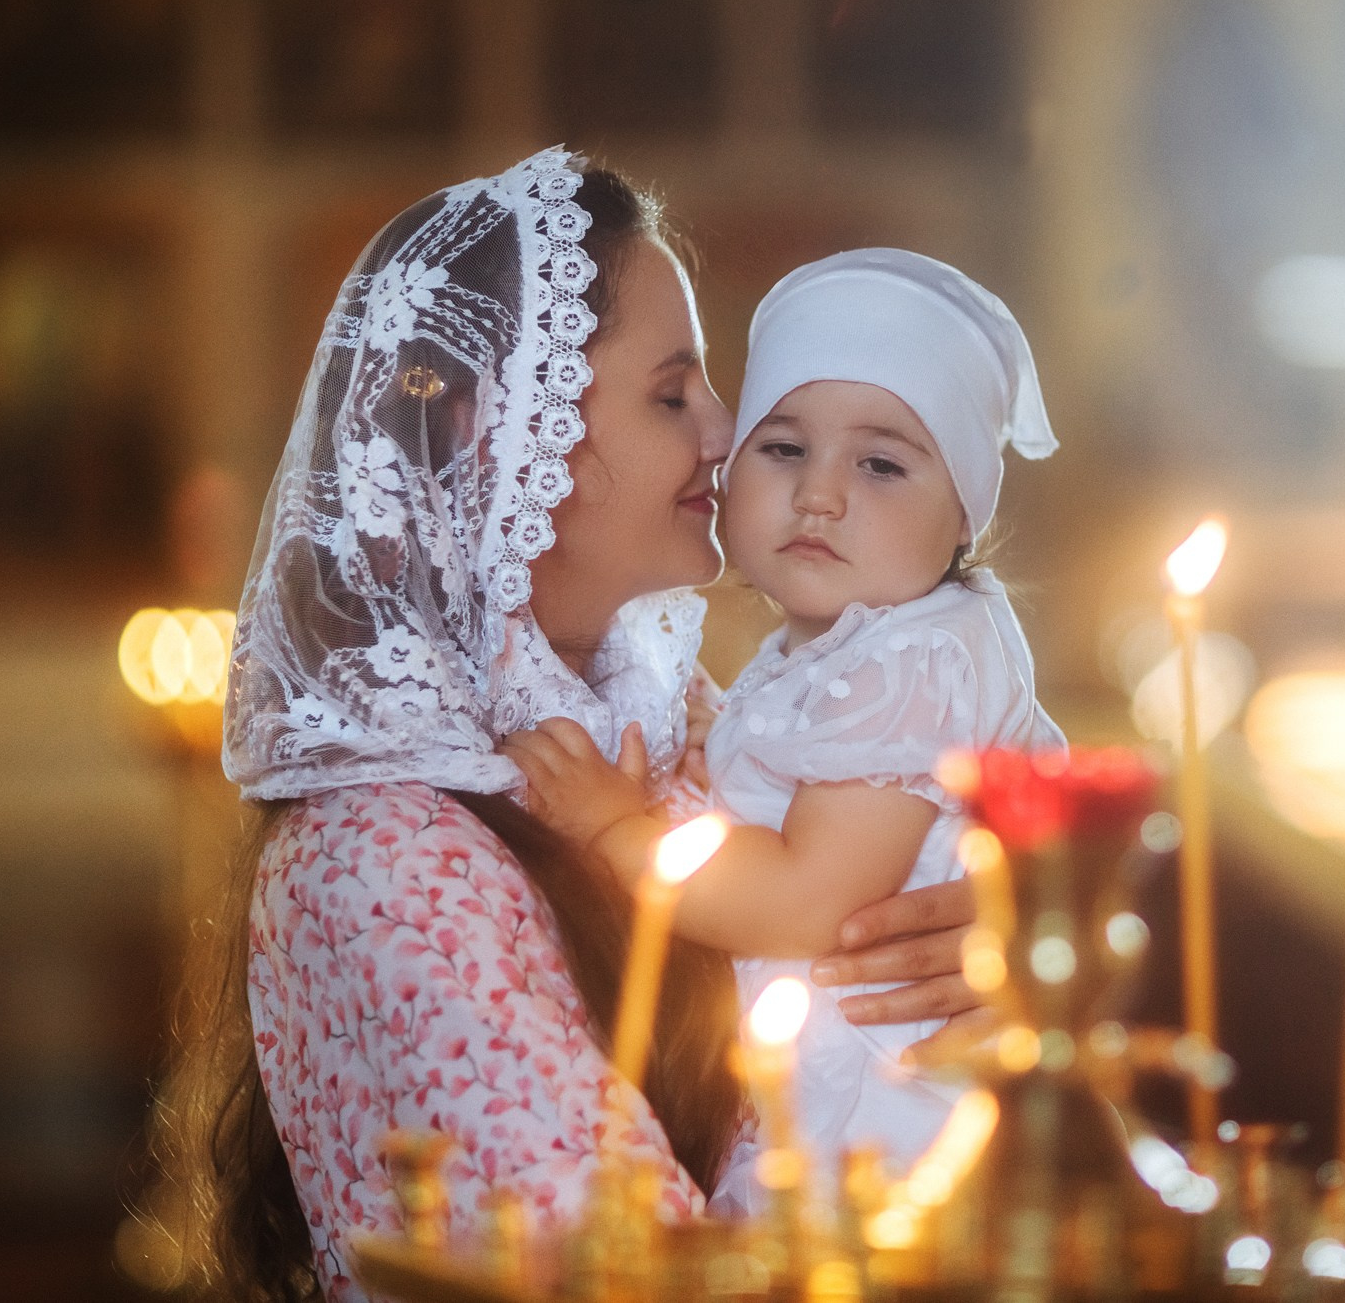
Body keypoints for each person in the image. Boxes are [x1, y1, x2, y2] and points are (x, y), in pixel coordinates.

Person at [155, 152, 980, 1303]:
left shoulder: (686, 728)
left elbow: (838, 1038)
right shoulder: (378, 855)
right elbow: (637, 1269)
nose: (727, 431)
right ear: (505, 443)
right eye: (671, 391)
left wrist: (976, 968)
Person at [502, 250, 1063, 1211]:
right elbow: (810, 776)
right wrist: (727, 732)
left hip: (887, 1118)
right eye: (783, 447)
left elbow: (809, 897)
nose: (820, 495)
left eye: (882, 464)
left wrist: (615, 831)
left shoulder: (919, 664)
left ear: (962, 515)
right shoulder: (854, 646)